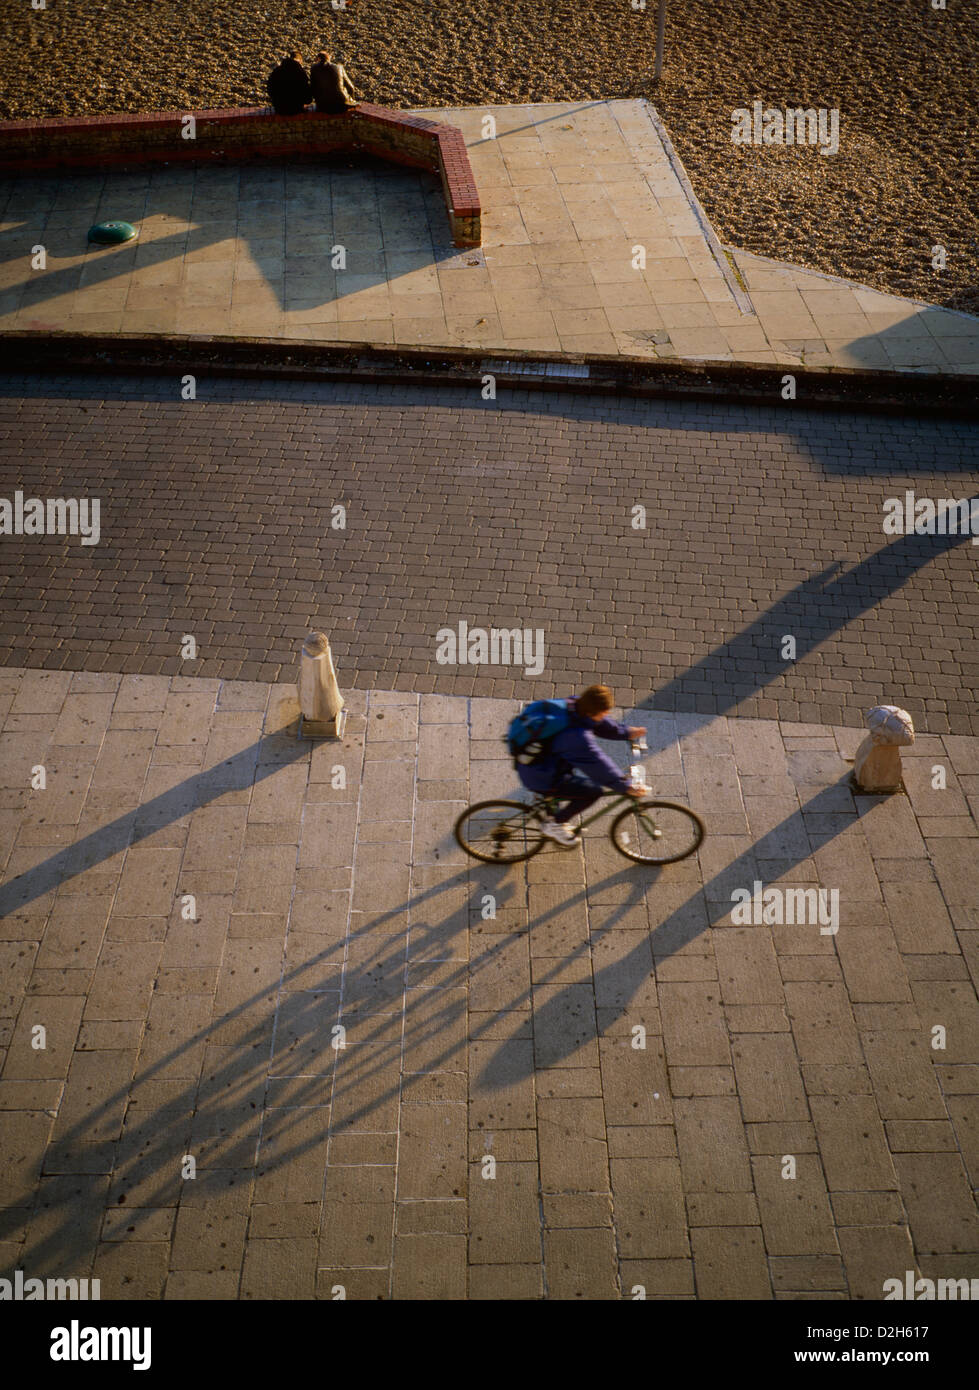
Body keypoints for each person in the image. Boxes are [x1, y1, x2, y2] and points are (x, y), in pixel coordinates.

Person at [515, 685, 647, 847]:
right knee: (592, 792)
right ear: (594, 712)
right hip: (542, 776)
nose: (607, 714)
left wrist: (626, 732)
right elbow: (598, 765)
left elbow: (599, 724)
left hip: (537, 763)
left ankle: (551, 808)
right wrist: (624, 786)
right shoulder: (577, 738)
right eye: (604, 712)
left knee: (567, 792)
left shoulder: (576, 705)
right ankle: (554, 825)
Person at [267, 51, 312, 115]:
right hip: (296, 108)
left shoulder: (277, 71)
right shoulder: (300, 72)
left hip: (280, 108)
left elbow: (270, 89)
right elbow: (307, 96)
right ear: (300, 61)